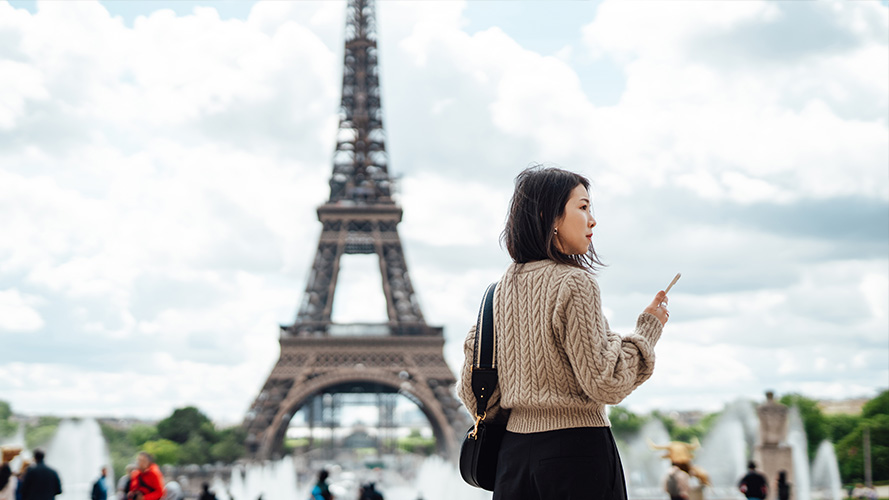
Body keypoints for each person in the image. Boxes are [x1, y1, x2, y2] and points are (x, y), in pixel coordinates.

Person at [458, 166, 669, 500]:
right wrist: (648, 330)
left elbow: (474, 394)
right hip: (577, 453)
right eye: (583, 207)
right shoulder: (575, 283)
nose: (592, 220)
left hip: (512, 459)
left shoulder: (498, 292)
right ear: (550, 216)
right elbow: (605, 382)